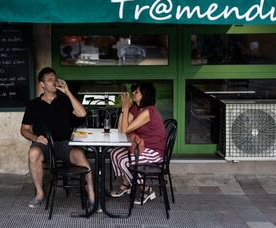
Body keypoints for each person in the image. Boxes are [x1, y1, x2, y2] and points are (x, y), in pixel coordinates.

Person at [20, 67, 95, 208]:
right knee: (33, 153)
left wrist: (67, 92)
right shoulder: (33, 104)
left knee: (81, 157)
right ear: (42, 84)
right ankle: (40, 194)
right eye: (50, 79)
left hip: (64, 145)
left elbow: (82, 114)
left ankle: (91, 194)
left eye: (55, 78)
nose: (54, 81)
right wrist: (35, 138)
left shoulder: (65, 101)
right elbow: (24, 130)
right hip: (43, 145)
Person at [109, 82, 167, 205]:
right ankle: (125, 184)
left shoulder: (148, 111)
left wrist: (125, 108)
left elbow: (125, 130)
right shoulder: (136, 108)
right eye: (133, 91)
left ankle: (147, 190)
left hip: (154, 151)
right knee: (114, 153)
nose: (133, 93)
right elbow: (121, 129)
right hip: (140, 146)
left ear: (144, 95)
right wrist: (125, 109)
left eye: (136, 92)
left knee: (125, 161)